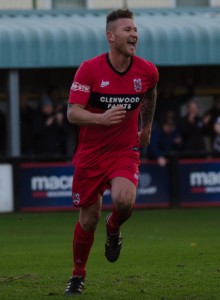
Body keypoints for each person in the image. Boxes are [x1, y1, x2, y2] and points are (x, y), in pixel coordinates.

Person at [64, 8, 159, 296]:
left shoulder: (147, 71)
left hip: (123, 150)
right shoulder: (90, 69)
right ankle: (78, 275)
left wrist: (146, 128)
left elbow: (151, 93)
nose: (134, 34)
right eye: (127, 30)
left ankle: (114, 226)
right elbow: (72, 113)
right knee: (87, 219)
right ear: (110, 36)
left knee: (124, 201)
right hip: (91, 154)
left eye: (135, 29)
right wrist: (100, 119)